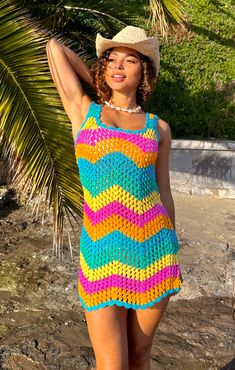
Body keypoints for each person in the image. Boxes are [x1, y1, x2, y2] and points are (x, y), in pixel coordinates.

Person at [46, 25, 183, 370]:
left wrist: (173, 248)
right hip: (101, 255)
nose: (119, 65)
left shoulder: (159, 128)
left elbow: (163, 192)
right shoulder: (84, 112)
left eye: (130, 60)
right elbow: (53, 49)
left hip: (154, 253)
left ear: (145, 73)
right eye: (112, 59)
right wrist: (101, 82)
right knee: (111, 364)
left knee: (139, 356)